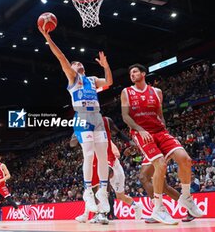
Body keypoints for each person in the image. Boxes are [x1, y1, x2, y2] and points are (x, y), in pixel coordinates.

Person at [39, 23, 113, 219]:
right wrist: (48, 38)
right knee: (88, 155)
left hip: (96, 117)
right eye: (74, 63)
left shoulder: (92, 79)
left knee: (103, 156)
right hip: (82, 118)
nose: (77, 63)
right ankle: (88, 191)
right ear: (70, 68)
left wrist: (106, 67)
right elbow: (61, 57)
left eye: (79, 63)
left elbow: (110, 82)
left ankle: (102, 192)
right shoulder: (73, 77)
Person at [121, 64, 203, 225]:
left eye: (135, 71)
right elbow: (125, 116)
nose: (132, 74)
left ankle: (186, 197)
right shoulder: (126, 92)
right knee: (159, 166)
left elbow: (160, 115)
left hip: (160, 132)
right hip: (142, 133)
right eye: (130, 72)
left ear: (143, 74)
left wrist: (164, 129)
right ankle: (158, 208)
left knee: (185, 159)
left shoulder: (157, 92)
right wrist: (139, 129)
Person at [72, 117, 142, 224]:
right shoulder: (85, 132)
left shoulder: (106, 125)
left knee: (119, 195)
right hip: (101, 164)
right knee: (95, 189)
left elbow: (117, 145)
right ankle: (94, 214)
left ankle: (136, 206)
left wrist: (129, 142)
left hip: (113, 163)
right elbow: (72, 144)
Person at [138, 159, 195, 223]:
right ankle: (190, 208)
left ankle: (159, 211)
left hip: (154, 151)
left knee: (143, 177)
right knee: (164, 187)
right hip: (149, 153)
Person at [0, 154, 29, 222]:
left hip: (1, 185)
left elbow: (8, 175)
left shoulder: (2, 165)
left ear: (0, 158)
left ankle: (22, 215)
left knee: (10, 200)